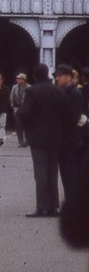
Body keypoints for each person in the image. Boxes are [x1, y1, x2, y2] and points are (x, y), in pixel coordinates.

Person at [20, 62, 67, 217]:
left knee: (41, 173)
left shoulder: (32, 91)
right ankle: (54, 207)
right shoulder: (58, 91)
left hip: (38, 138)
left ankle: (41, 207)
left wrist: (27, 126)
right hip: (55, 137)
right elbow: (64, 113)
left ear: (34, 76)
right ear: (48, 73)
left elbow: (25, 113)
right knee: (53, 172)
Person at [55, 63, 88, 203]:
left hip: (71, 140)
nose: (57, 79)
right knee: (67, 173)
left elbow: (74, 117)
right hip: (67, 140)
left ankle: (73, 202)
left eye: (59, 76)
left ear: (68, 77)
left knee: (70, 173)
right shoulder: (66, 92)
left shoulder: (74, 93)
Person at [10, 73, 29, 147]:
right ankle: (20, 141)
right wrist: (13, 107)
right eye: (17, 78)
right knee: (19, 125)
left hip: (25, 108)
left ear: (23, 80)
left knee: (26, 125)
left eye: (19, 79)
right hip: (17, 108)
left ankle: (26, 140)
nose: (17, 80)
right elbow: (11, 97)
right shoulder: (14, 87)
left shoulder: (28, 87)